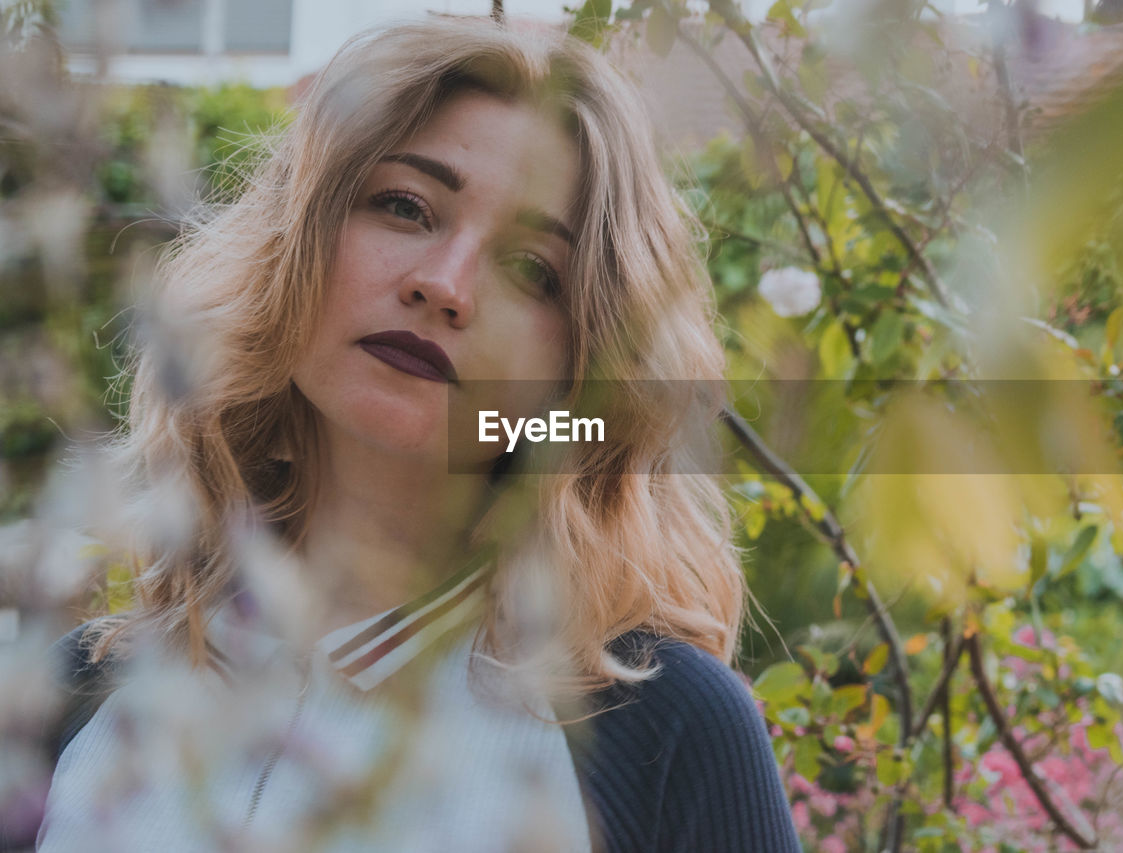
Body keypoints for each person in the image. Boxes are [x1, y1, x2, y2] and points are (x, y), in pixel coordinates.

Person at [24, 14, 801, 853]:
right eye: (405, 206)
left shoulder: (660, 729)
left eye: (530, 268)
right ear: (299, 242)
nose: (446, 285)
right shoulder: (78, 696)